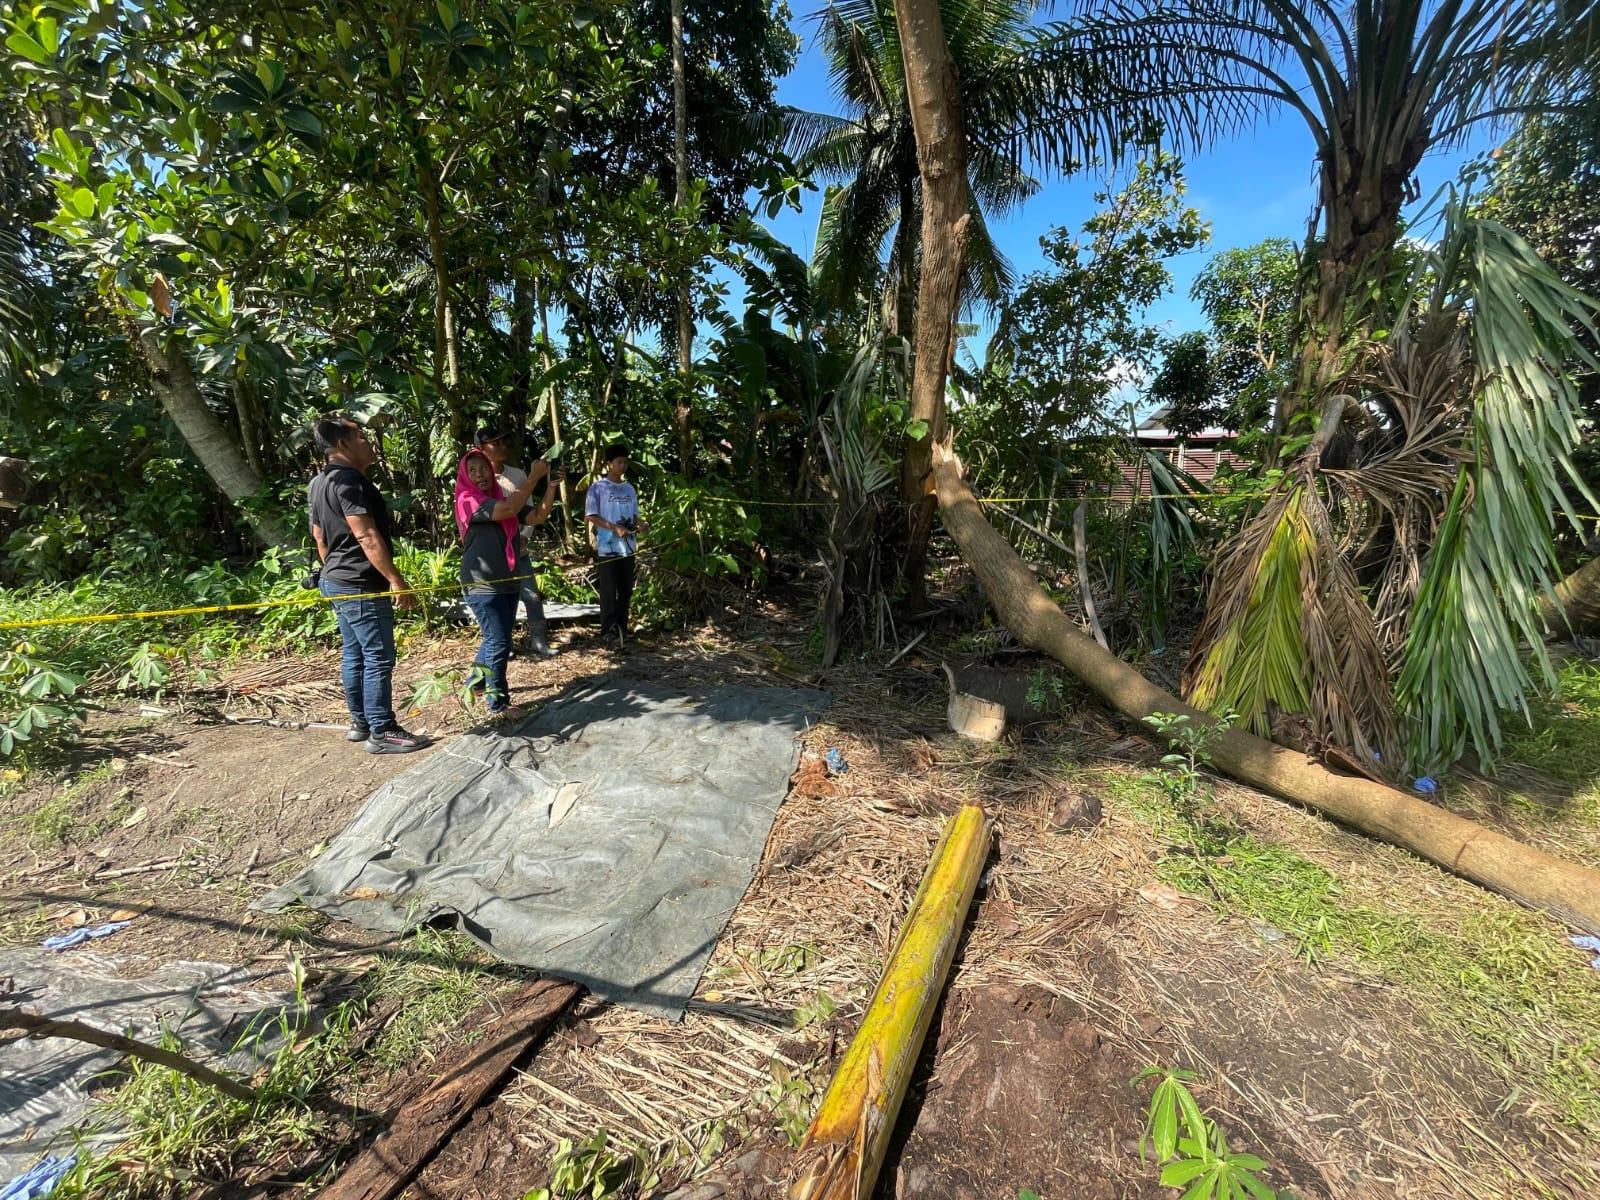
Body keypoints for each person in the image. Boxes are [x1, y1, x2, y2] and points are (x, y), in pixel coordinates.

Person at [308, 416, 430, 754]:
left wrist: (334, 570)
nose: (368, 441)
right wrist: (395, 580)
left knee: (355, 653)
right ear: (344, 444)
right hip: (360, 582)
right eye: (361, 435)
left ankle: (361, 723)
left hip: (335, 579)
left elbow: (319, 538)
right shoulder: (350, 481)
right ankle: (382, 731)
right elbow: (365, 533)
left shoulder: (319, 483)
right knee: (377, 656)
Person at [454, 447, 549, 719]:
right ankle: (498, 704)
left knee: (497, 639)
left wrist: (550, 485)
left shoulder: (500, 498)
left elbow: (537, 516)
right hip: (482, 583)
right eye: (472, 470)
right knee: (499, 642)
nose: (479, 474)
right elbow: (509, 509)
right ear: (465, 476)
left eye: (482, 467)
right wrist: (532, 477)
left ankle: (475, 684)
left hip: (508, 578)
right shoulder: (468, 500)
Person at [473, 428, 561, 657]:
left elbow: (528, 512)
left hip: (518, 549)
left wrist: (524, 535)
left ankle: (538, 640)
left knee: (530, 595)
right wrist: (534, 476)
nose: (501, 446)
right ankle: (501, 646)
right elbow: (506, 509)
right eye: (494, 443)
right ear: (480, 450)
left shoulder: (517, 475)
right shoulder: (476, 485)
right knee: (497, 601)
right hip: (491, 558)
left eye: (503, 441)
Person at [585, 443, 645, 648]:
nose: (623, 465)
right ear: (609, 464)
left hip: (628, 548)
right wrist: (614, 528)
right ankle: (608, 631)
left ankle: (622, 628)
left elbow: (633, 514)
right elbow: (591, 515)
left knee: (625, 590)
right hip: (608, 548)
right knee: (609, 591)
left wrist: (640, 523)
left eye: (625, 462)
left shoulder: (629, 488)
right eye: (619, 462)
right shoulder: (598, 487)